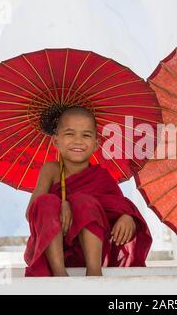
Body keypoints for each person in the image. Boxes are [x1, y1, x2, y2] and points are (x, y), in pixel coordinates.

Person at [24, 106, 152, 276]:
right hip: (56, 248)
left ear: (95, 144)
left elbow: (117, 205)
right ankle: (59, 274)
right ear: (56, 141)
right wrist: (60, 206)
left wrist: (127, 217)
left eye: (86, 135)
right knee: (46, 202)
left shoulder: (100, 176)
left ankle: (94, 272)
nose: (78, 141)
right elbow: (32, 211)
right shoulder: (51, 170)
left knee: (83, 201)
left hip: (90, 248)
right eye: (70, 134)